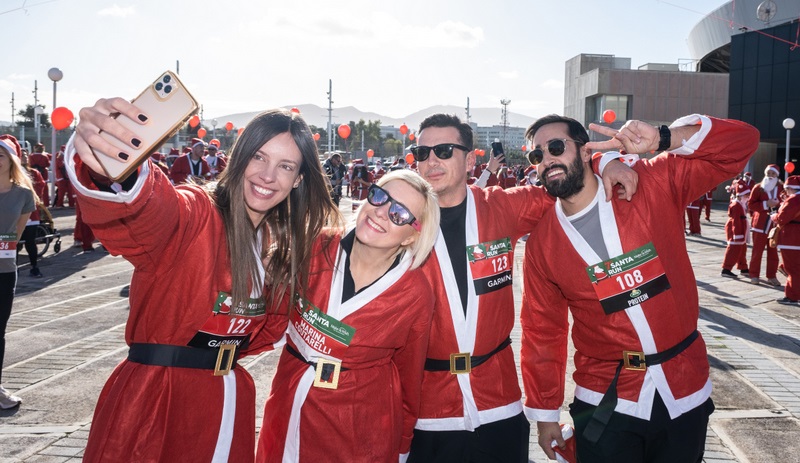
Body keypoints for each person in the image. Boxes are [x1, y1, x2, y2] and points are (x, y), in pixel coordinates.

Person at [67, 98, 339, 462]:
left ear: (298, 179)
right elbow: (152, 212)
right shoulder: (197, 212)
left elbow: (267, 329)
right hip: (156, 401)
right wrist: (112, 163)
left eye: (285, 165)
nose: (267, 175)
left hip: (228, 401)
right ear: (238, 158)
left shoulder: (279, 246)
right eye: (258, 157)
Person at [519, 114, 759, 463]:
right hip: (604, 397)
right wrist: (544, 414)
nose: (547, 160)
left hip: (682, 386)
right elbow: (542, 332)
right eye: (537, 156)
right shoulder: (542, 243)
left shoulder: (651, 183)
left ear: (586, 152)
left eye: (556, 147)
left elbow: (743, 143)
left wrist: (665, 137)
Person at [406, 113, 637, 463]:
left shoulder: (504, 206)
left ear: (471, 159)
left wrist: (605, 161)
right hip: (428, 410)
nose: (431, 161)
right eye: (421, 153)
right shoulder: (398, 222)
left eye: (443, 150)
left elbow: (566, 182)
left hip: (498, 403)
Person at [257, 170, 440, 462]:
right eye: (380, 196)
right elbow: (272, 322)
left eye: (399, 214)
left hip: (358, 425)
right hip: (289, 403)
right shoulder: (314, 246)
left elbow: (409, 377)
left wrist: (403, 445)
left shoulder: (415, 294)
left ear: (412, 236)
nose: (381, 212)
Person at [0, 135, 36, 409]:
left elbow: (16, 235)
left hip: (4, 270)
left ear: (11, 159)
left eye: (1, 154)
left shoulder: (23, 195)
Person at [748, 165, 784, 286]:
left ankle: (772, 276)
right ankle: (754, 275)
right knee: (757, 251)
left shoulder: (781, 188)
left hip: (775, 225)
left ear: (777, 175)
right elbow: (751, 204)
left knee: (773, 252)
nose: (770, 176)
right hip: (760, 224)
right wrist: (766, 204)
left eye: (773, 174)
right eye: (768, 173)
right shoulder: (758, 187)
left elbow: (787, 202)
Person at [19, 149, 47, 277]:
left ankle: (34, 267)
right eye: (21, 155)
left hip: (30, 213)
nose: (24, 157)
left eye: (25, 155)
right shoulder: (7, 173)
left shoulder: (34, 173)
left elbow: (39, 189)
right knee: (11, 241)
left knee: (30, 241)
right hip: (11, 214)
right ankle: (12, 269)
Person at [773, 175, 800, 304]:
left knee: (792, 268)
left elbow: (781, 218)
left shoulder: (794, 200)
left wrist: (774, 216)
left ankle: (792, 296)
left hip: (791, 238)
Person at [722, 183, 752, 278]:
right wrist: (737, 234)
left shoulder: (740, 204)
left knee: (742, 249)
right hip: (736, 229)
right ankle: (726, 269)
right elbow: (736, 221)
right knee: (734, 248)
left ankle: (743, 268)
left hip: (740, 228)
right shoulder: (736, 205)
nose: (748, 197)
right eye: (746, 195)